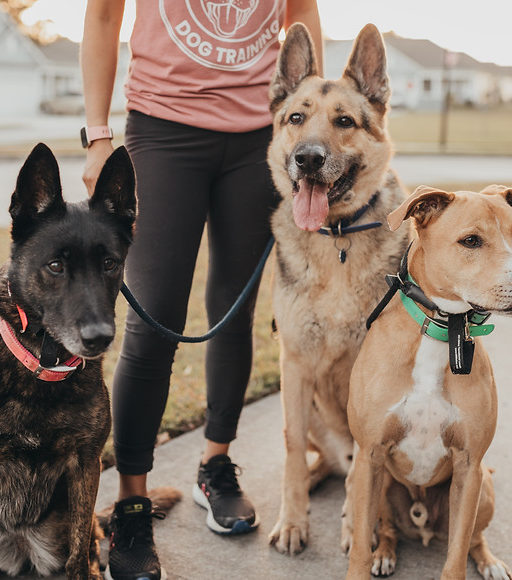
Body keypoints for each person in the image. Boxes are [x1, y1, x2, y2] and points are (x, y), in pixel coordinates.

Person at [80, 1, 323, 579]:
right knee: (152, 321)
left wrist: (305, 120)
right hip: (163, 131)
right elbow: (103, 17)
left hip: (255, 138)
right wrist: (97, 135)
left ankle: (215, 464)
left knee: (233, 313)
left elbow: (304, 15)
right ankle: (133, 502)